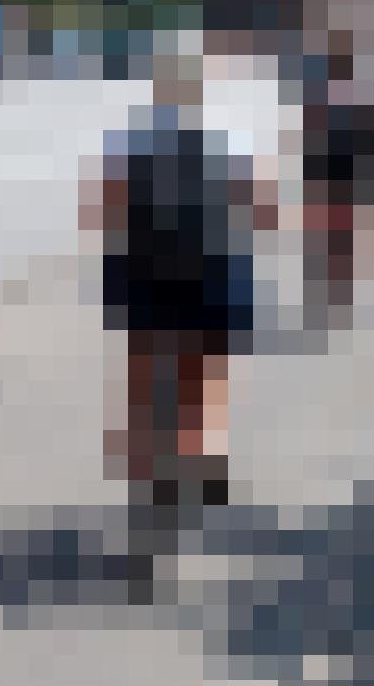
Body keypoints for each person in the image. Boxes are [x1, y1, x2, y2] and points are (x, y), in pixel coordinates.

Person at [84, 46, 277, 584]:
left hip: (145, 284)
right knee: (200, 385)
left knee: (142, 391)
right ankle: (194, 475)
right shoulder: (225, 143)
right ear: (198, 97)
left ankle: (143, 495)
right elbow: (262, 212)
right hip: (207, 285)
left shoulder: (131, 144)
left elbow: (104, 210)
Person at [295, 29, 374, 327]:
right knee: (336, 234)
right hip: (335, 180)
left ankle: (335, 290)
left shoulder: (322, 101)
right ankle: (335, 289)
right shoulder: (339, 102)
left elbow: (364, 145)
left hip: (335, 180)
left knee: (334, 234)